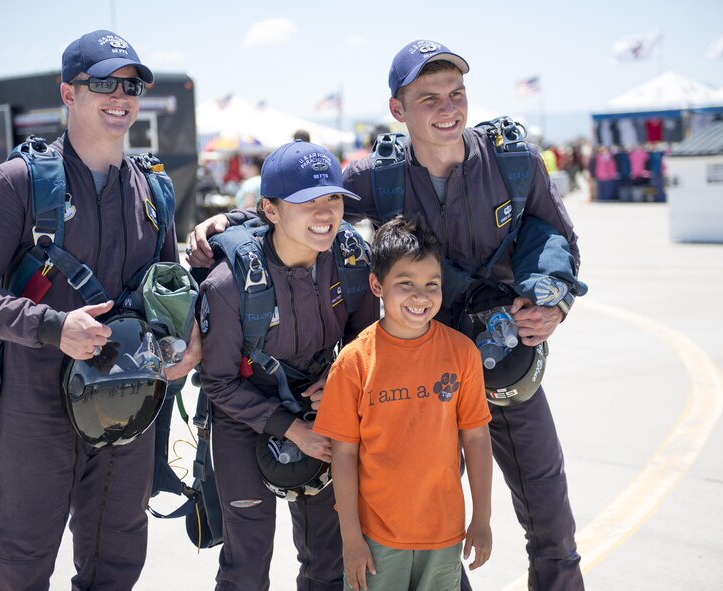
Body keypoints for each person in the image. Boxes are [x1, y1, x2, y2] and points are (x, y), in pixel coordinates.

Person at [186, 39, 586, 591]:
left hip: (503, 359)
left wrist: (555, 301)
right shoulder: (381, 173)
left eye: (456, 94)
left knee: (551, 519)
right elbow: (304, 205)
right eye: (429, 98)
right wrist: (228, 224)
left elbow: (559, 234)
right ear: (398, 110)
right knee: (424, 522)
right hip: (424, 374)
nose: (448, 109)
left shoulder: (513, 160)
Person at [0, 30, 198, 590]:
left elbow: (169, 287)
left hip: (130, 406)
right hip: (35, 409)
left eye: (131, 85)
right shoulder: (19, 183)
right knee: (21, 568)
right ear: (68, 93)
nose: (120, 95)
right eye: (103, 82)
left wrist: (185, 341)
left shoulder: (154, 191)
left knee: (116, 566)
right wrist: (53, 327)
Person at [197, 140, 379, 590]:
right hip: (244, 414)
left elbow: (365, 342)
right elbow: (217, 382)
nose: (325, 213)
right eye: (306, 202)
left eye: (333, 198)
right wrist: (290, 427)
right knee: (248, 561)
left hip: (322, 407)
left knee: (326, 557)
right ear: (271, 210)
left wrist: (340, 380)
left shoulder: (352, 262)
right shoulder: (228, 285)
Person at [314, 215, 493, 591]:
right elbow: (343, 456)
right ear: (377, 285)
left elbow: (476, 439)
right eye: (405, 283)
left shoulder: (461, 353)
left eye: (432, 284)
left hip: (443, 533)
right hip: (376, 537)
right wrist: (350, 539)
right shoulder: (354, 362)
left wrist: (482, 517)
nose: (420, 296)